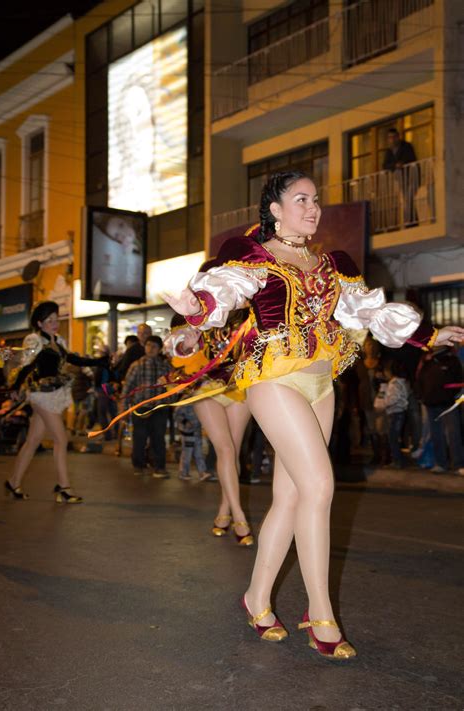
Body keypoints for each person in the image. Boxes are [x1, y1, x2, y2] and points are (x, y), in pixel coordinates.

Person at [164, 170, 464, 659]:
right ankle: (320, 612)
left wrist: (429, 337)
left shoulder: (332, 263)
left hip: (322, 382)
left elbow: (369, 313)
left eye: (316, 200)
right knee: (320, 487)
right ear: (275, 210)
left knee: (291, 496)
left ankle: (256, 598)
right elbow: (221, 294)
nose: (313, 208)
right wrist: (192, 318)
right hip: (273, 378)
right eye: (300, 199)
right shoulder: (252, 256)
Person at [165, 308, 253, 546]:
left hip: (238, 385)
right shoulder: (190, 319)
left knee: (233, 449)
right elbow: (177, 355)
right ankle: (239, 516)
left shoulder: (241, 314)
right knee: (224, 448)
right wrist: (188, 346)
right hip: (205, 388)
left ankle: (224, 512)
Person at [4, 301, 108, 503]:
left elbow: (72, 359)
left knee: (33, 441)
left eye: (56, 319)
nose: (54, 323)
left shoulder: (58, 340)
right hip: (40, 395)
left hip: (53, 393)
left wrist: (98, 362)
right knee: (62, 439)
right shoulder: (34, 340)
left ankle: (13, 482)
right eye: (49, 320)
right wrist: (14, 388)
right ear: (40, 323)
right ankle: (63, 487)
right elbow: (27, 367)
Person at [121, 335, 173, 478]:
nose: (150, 348)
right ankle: (138, 465)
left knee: (158, 438)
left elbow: (172, 387)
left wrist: (169, 402)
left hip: (159, 408)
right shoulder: (136, 365)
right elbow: (128, 388)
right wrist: (124, 408)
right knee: (139, 437)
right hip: (140, 407)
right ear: (145, 347)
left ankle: (159, 467)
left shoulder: (165, 366)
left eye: (154, 346)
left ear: (160, 349)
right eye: (148, 345)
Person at [416, 347, 464, 475]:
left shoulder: (452, 360)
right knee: (437, 434)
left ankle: (457, 464)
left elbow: (459, 380)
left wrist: (450, 396)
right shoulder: (427, 361)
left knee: (453, 434)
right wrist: (422, 396)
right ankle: (441, 463)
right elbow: (420, 379)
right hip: (431, 403)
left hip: (448, 403)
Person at [382, 127, 419, 227]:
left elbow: (412, 159)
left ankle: (411, 223)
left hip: (411, 176)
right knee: (407, 200)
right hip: (400, 179)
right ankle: (411, 222)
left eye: (394, 137)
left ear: (398, 137)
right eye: (390, 138)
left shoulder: (406, 146)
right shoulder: (389, 151)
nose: (392, 139)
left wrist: (401, 163)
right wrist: (395, 165)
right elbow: (385, 165)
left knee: (409, 199)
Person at [382, 360, 410, 469]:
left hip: (395, 412)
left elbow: (393, 398)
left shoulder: (394, 383)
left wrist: (385, 403)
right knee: (395, 438)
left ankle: (398, 461)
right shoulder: (403, 382)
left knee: (393, 438)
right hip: (400, 412)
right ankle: (398, 460)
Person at [173, 405, 209, 481]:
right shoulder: (184, 404)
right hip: (188, 433)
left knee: (199, 453)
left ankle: (202, 472)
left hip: (197, 432)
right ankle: (184, 473)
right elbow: (176, 415)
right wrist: (185, 422)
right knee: (187, 454)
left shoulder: (199, 403)